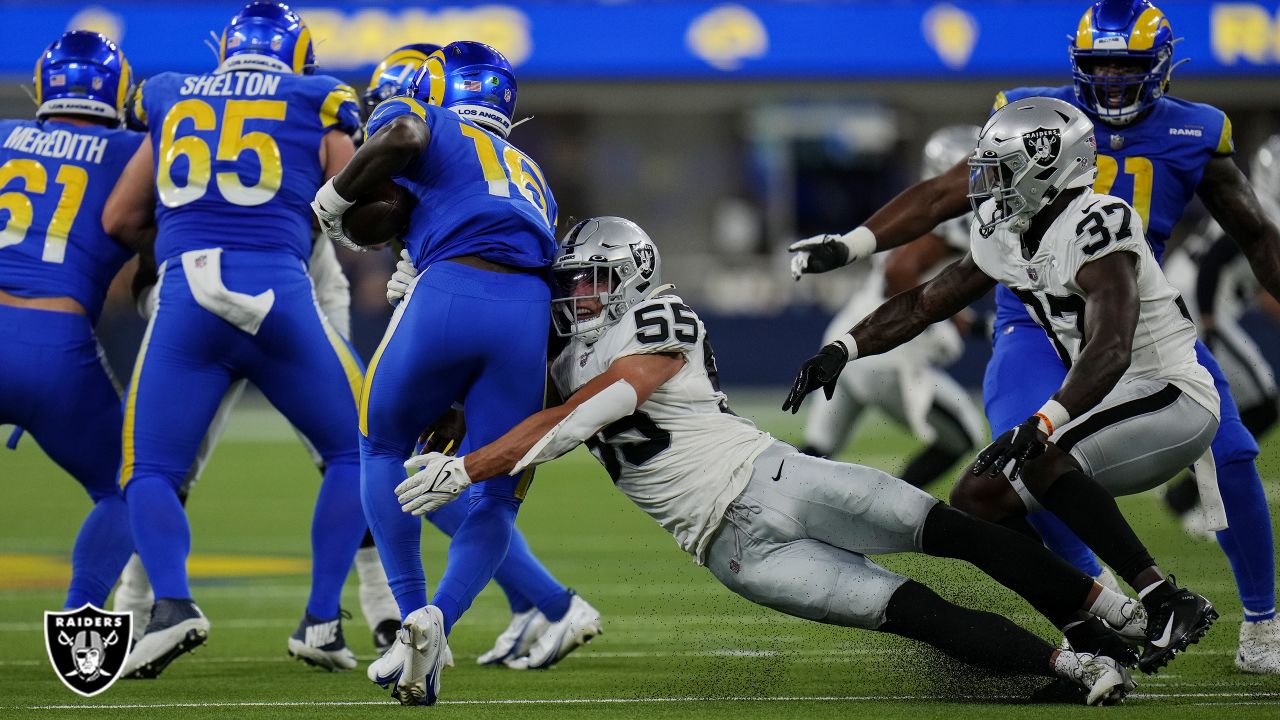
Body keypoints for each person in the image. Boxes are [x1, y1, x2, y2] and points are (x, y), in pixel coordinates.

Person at [394, 216, 1152, 706]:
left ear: (629, 275)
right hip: (728, 551)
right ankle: (1075, 668)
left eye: (591, 280)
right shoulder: (554, 357)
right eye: (571, 283)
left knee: (956, 532)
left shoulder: (662, 315)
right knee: (913, 613)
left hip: (774, 477)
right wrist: (423, 296)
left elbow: (592, 409)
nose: (576, 296)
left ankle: (1112, 609)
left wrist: (467, 470)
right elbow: (504, 395)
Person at [788, 0, 1280, 673]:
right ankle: (1103, 609)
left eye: (1125, 65)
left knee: (1189, 453)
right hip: (1039, 312)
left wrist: (1049, 419)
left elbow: (1244, 244)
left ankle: (1242, 618)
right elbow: (934, 264)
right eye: (1097, 65)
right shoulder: (1024, 141)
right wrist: (844, 332)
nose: (1110, 79)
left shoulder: (1124, 193)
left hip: (1134, 328)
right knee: (996, 479)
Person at [311, 42, 599, 705]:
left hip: (447, 292)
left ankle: (410, 610)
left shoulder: (428, 120)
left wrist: (334, 197)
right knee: (495, 491)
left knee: (381, 446)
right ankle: (440, 620)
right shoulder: (531, 171)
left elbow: (402, 136)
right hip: (526, 314)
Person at [102, 1, 370, 677]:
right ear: (297, 52)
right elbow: (355, 201)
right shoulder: (319, 95)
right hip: (280, 293)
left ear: (225, 48)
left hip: (189, 293)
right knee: (357, 451)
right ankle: (320, 619)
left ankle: (171, 605)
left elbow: (119, 216)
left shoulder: (168, 92)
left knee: (149, 471)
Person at [0, 31, 141, 612]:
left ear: (42, 86)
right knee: (132, 488)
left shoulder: (4, 136)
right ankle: (84, 614)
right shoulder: (135, 151)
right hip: (57, 344)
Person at [799, 125, 985, 491]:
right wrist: (934, 325)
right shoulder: (952, 215)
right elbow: (901, 272)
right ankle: (890, 510)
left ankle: (778, 518)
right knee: (963, 434)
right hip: (884, 349)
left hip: (847, 336)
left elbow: (934, 285)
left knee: (816, 450)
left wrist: (966, 323)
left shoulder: (912, 206)